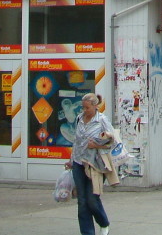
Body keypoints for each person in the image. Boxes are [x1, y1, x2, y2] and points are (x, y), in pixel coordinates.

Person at [65, 93, 113, 235]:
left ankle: (103, 223)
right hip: (79, 163)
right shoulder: (79, 118)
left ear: (95, 106)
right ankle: (87, 232)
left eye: (87, 108)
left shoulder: (102, 120)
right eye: (83, 107)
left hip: (95, 165)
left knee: (92, 199)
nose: (84, 110)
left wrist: (96, 145)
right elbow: (77, 142)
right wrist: (71, 159)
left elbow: (113, 142)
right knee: (82, 201)